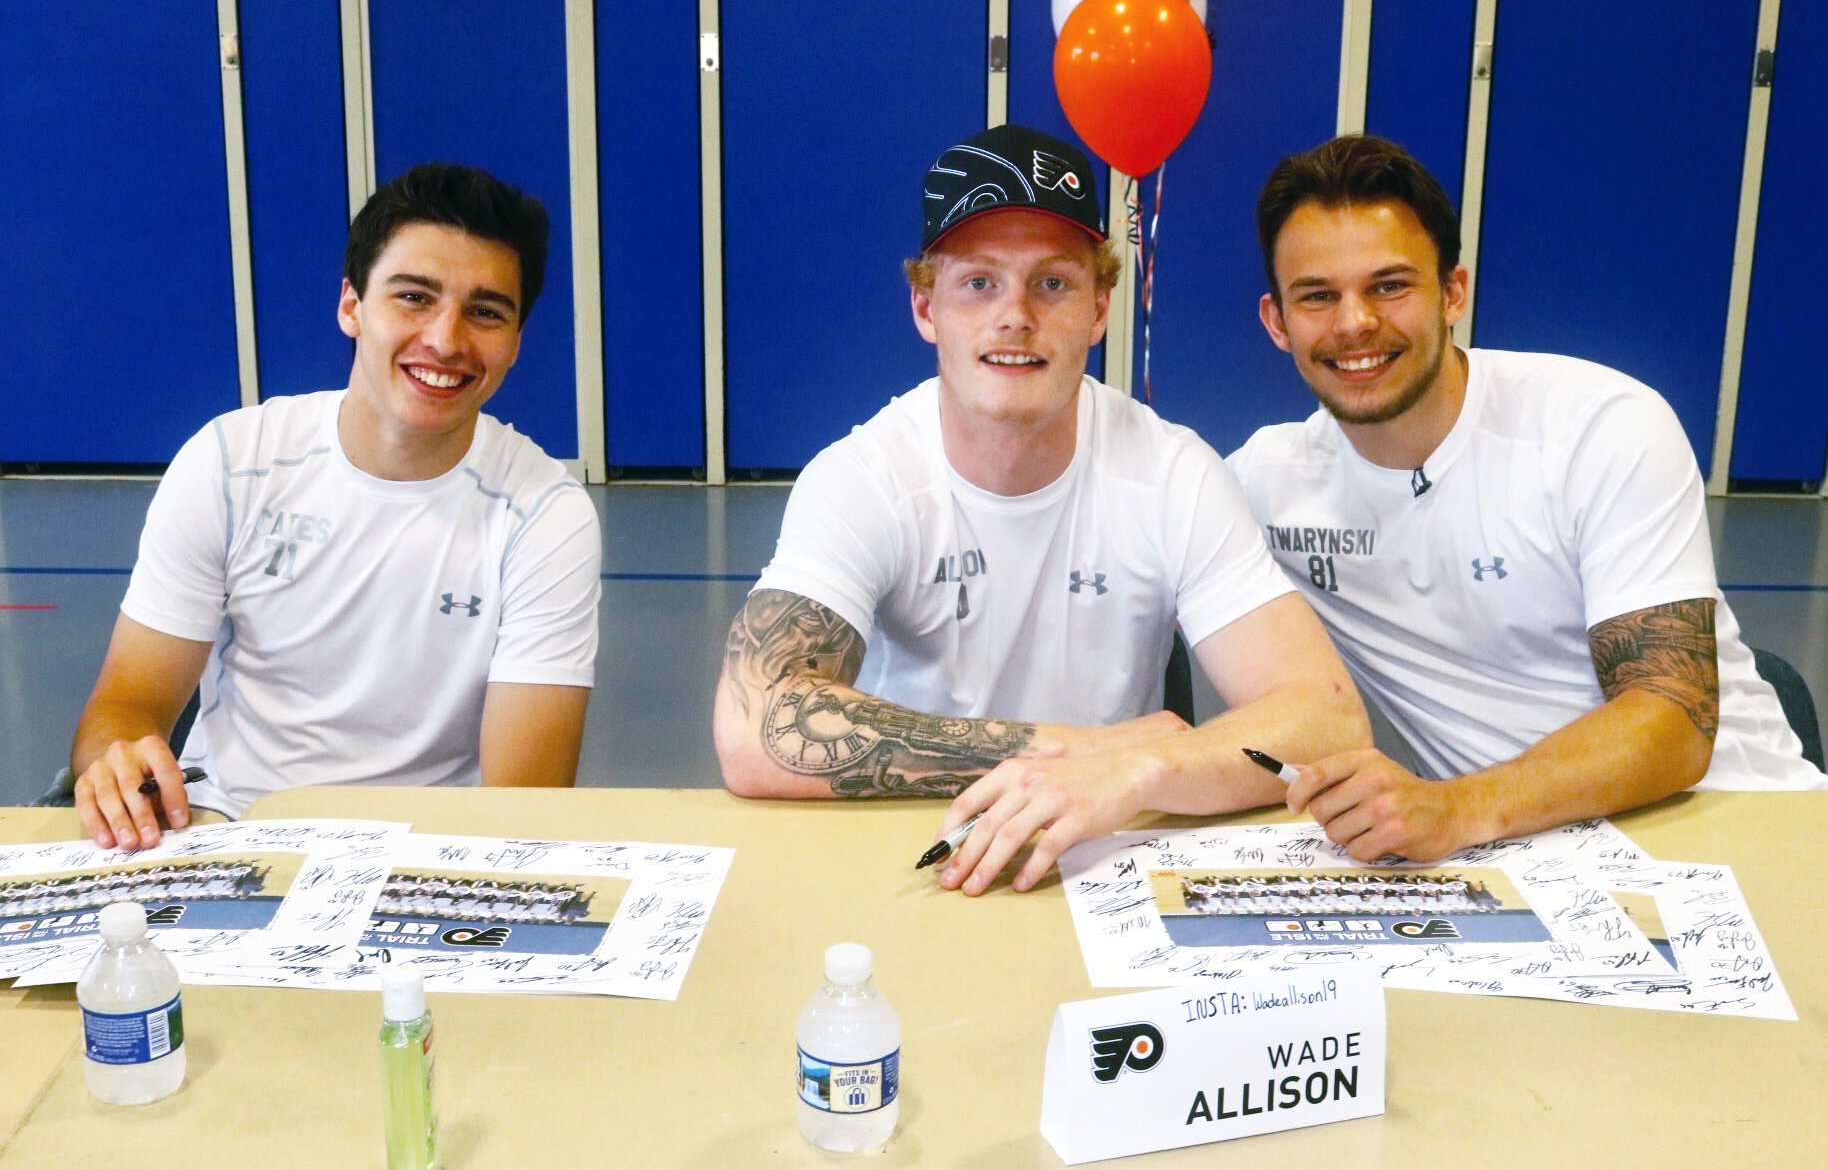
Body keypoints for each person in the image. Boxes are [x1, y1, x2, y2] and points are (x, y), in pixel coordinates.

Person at [714, 124, 1370, 895]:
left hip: (1110, 850)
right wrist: (1075, 751)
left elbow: (1326, 719)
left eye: (1052, 283)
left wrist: (1139, 768)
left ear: (1099, 307)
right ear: (926, 306)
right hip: (916, 846)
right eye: (979, 283)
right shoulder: (864, 477)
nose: (1015, 314)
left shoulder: (1170, 471)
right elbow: (755, 725)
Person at [1229, 134, 1824, 865]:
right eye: (1318, 295)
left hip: (1740, 824)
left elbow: (1672, 720)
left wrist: (1452, 806)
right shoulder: (1264, 483)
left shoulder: (1599, 426)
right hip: (1520, 862)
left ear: (1454, 292)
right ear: (1277, 322)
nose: (1354, 322)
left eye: (1390, 285)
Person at [72, 163, 601, 849]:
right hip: (224, 831)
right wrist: (115, 761)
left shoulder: (546, 516)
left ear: (516, 343)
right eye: (414, 297)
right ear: (351, 305)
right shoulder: (232, 462)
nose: (445, 339)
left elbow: (519, 809)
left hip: (428, 859)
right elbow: (125, 703)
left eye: (486, 311)